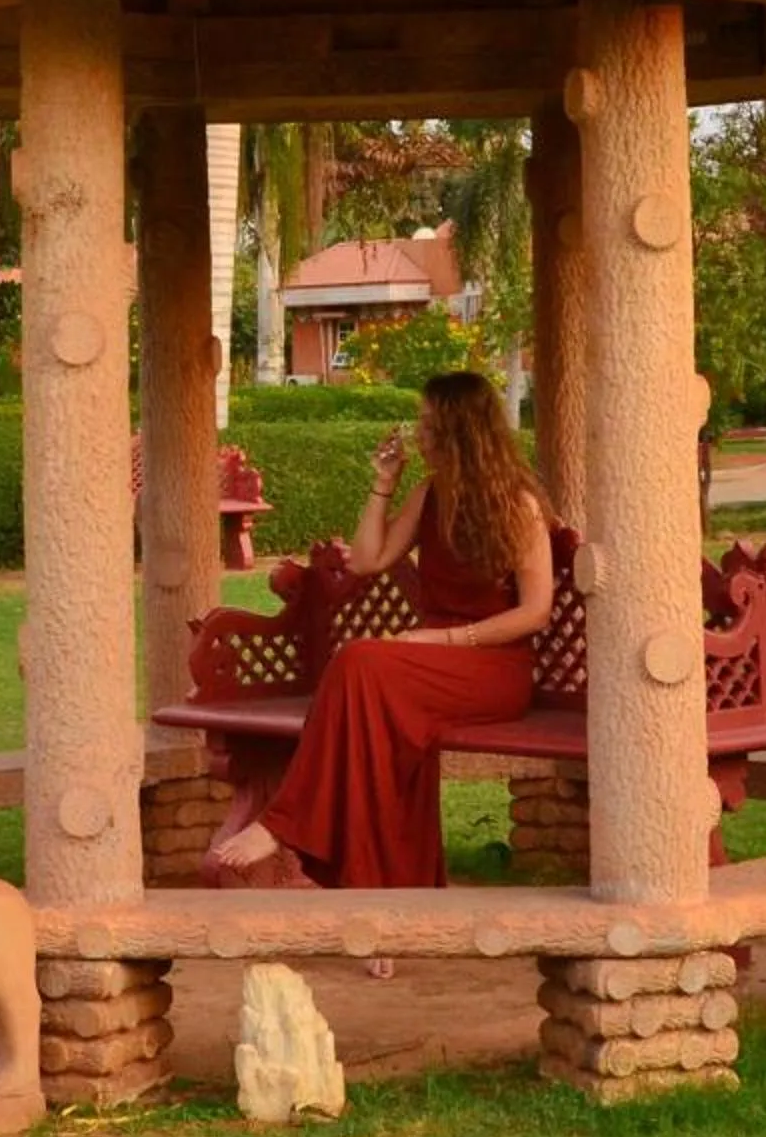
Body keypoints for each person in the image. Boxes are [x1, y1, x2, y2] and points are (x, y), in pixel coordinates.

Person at [210, 370, 558, 933]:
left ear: (459, 429)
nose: (420, 435)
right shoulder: (429, 495)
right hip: (431, 666)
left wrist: (442, 639)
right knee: (379, 749)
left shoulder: (517, 505)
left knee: (359, 660)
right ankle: (385, 912)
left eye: (428, 424)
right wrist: (382, 486)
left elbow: (534, 611)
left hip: (492, 666)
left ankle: (285, 826)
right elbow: (365, 562)